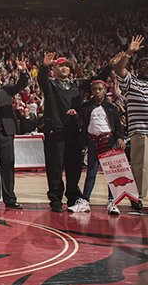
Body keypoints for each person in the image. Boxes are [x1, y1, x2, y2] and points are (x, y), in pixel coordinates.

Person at [38, 53, 113, 213]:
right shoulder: (50, 84)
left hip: (75, 133)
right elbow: (41, 79)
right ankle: (56, 199)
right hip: (55, 132)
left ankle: (72, 197)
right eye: (60, 65)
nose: (64, 68)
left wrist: (110, 66)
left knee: (74, 169)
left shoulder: (77, 85)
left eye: (67, 66)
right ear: (54, 69)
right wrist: (44, 66)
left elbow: (97, 80)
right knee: (55, 168)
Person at [0, 62, 29, 210]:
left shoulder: (7, 89)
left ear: (1, 77)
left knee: (8, 166)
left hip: (7, 132)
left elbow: (22, 84)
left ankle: (10, 198)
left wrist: (22, 72)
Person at [78, 77, 126, 215]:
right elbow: (82, 124)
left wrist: (120, 138)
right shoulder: (86, 107)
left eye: (100, 89)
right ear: (91, 92)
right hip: (93, 142)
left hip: (109, 141)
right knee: (91, 173)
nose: (97, 92)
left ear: (105, 90)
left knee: (112, 174)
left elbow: (117, 125)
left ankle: (112, 202)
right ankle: (85, 201)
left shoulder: (111, 107)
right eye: (94, 90)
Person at [113, 35, 148, 211]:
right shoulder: (132, 82)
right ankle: (138, 198)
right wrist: (129, 52)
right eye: (143, 65)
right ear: (138, 69)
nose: (147, 68)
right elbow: (119, 69)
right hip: (141, 131)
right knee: (140, 167)